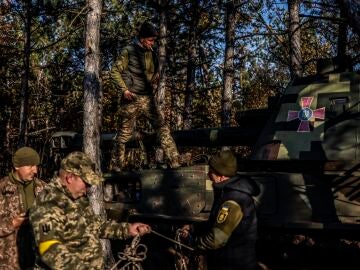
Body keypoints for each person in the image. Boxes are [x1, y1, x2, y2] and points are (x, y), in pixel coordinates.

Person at [29, 151, 151, 269]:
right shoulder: (48, 203)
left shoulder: (77, 198)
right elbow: (49, 250)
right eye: (86, 183)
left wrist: (126, 229)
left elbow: (94, 225)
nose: (87, 188)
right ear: (70, 178)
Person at [109, 20, 181, 170]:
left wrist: (154, 79)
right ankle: (117, 166)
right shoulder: (128, 50)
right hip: (130, 98)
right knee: (123, 135)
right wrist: (124, 90)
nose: (152, 43)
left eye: (154, 41)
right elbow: (114, 72)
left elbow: (152, 74)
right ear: (142, 38)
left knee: (162, 128)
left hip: (147, 99)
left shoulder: (152, 54)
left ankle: (174, 160)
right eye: (150, 40)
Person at [182, 150, 260, 270]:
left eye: (211, 172)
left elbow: (216, 239)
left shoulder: (233, 200)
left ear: (221, 174)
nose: (208, 175)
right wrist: (193, 228)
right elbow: (216, 223)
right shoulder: (227, 193)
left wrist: (195, 243)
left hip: (234, 265)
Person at [0, 146, 46, 270]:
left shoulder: (45, 189)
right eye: (30, 166)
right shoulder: (2, 189)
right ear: (17, 166)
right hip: (8, 263)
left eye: (36, 166)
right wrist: (12, 224)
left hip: (37, 262)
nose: (35, 170)